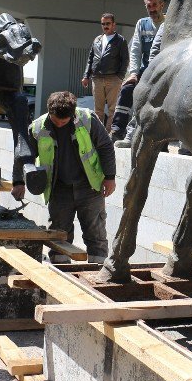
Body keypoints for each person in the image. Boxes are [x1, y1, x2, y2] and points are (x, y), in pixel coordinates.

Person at [14, 91, 116, 264]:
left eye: (64, 121)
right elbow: (24, 156)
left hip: (90, 187)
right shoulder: (38, 127)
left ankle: (98, 273)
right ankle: (60, 272)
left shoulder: (87, 119)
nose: (60, 124)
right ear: (49, 112)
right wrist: (18, 182)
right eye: (56, 121)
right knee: (59, 235)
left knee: (96, 235)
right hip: (59, 189)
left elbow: (106, 147)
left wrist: (110, 177)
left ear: (72, 113)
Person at [110, 0, 165, 144]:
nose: (152, 9)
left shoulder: (170, 23)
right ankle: (117, 130)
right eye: (149, 6)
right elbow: (135, 50)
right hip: (145, 70)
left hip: (165, 70)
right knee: (127, 89)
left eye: (155, 5)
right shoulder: (142, 23)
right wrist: (133, 73)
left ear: (162, 5)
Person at [81, 13, 129, 131]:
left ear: (114, 25)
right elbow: (90, 59)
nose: (105, 26)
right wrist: (86, 75)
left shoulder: (120, 40)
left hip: (113, 78)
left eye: (108, 23)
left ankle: (109, 134)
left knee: (113, 109)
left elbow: (125, 60)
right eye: (103, 24)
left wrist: (120, 77)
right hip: (97, 78)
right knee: (98, 109)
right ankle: (99, 133)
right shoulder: (97, 39)